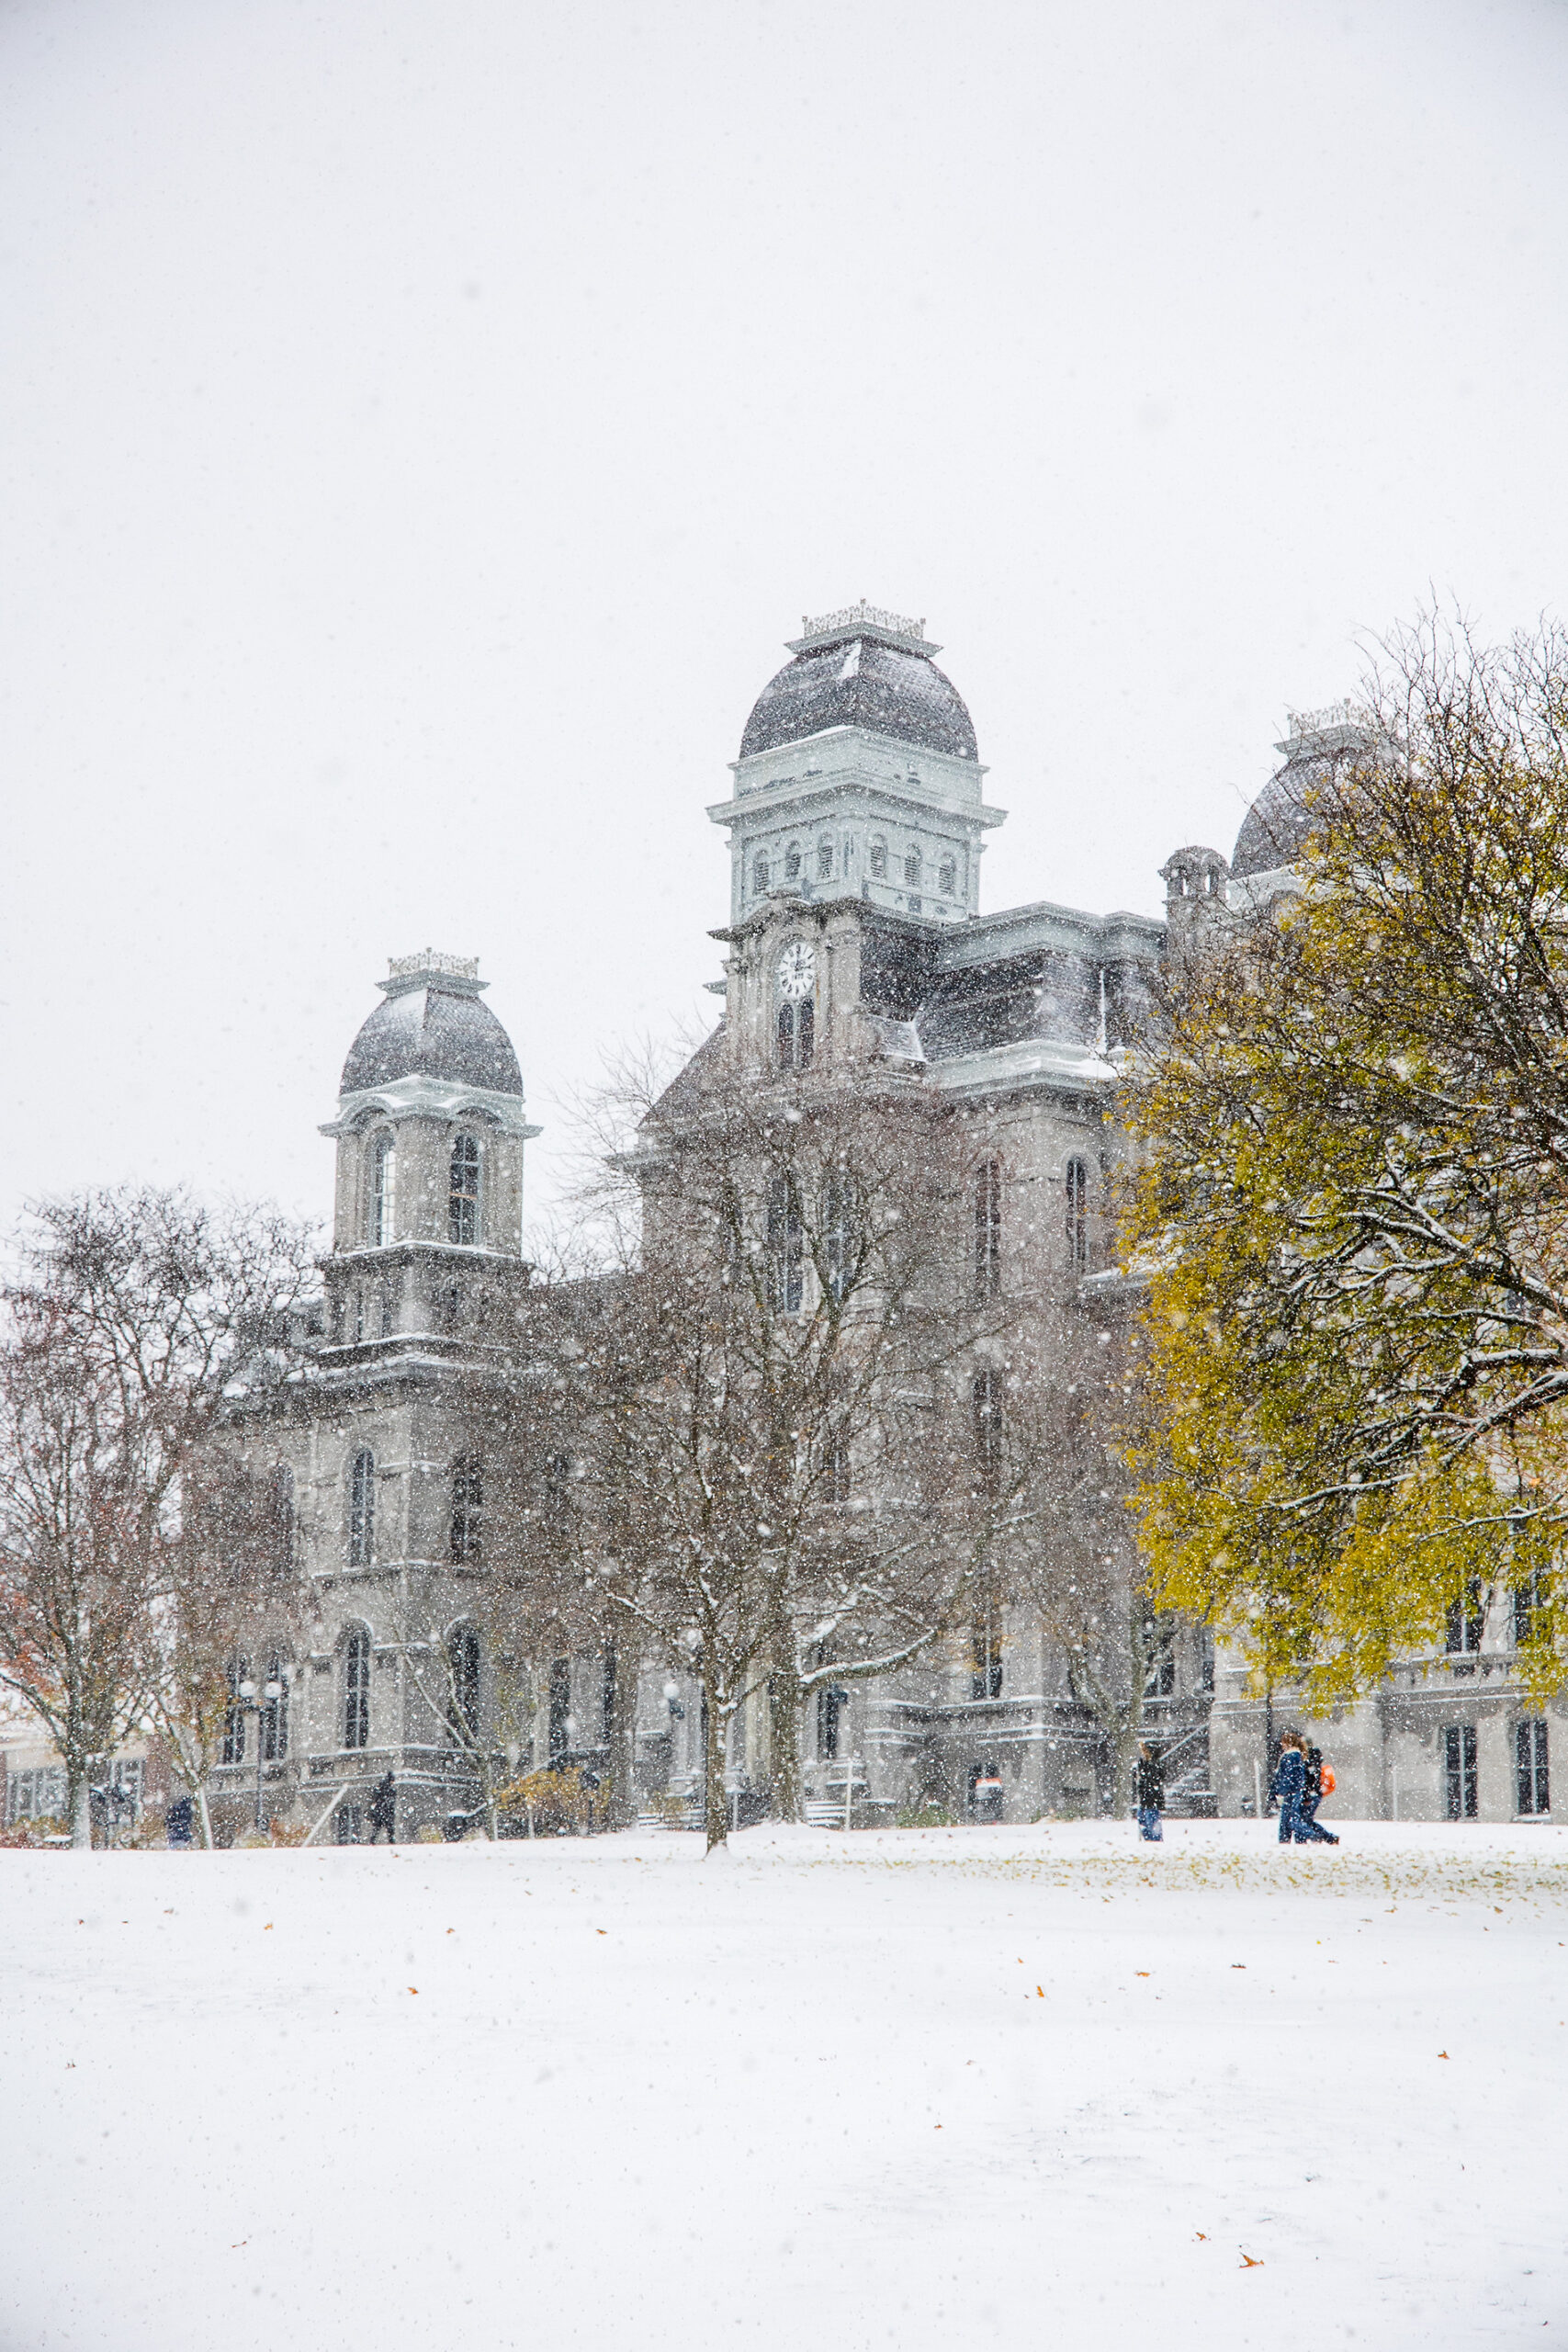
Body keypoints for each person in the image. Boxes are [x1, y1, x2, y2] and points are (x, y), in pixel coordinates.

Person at [1298, 1744, 1341, 1844]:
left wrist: (1306, 1796)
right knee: (1306, 1820)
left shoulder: (1309, 1764)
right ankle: (1328, 1838)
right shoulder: (1315, 1765)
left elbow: (1309, 1781)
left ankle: (1320, 1837)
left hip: (1310, 1795)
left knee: (1304, 1820)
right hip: (1314, 1794)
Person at [1270, 1734, 1306, 1843]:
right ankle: (1298, 1839)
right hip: (1294, 1791)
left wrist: (1281, 1792)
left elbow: (1286, 1776)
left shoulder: (1290, 1757)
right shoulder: (1296, 1756)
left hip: (1290, 1792)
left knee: (1289, 1820)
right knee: (1293, 1818)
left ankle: (1286, 1840)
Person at [1134, 1740, 1165, 1840]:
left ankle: (1155, 1840)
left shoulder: (1156, 1765)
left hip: (1152, 1800)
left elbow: (1155, 1779)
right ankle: (1148, 1839)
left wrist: (1145, 1770)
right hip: (1144, 1799)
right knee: (1143, 1821)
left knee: (1152, 1822)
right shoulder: (1144, 1764)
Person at [367, 1770, 397, 1845]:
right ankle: (391, 1842)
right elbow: (390, 1801)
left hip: (380, 1811)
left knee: (377, 1829)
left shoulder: (380, 1787)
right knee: (389, 1829)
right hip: (386, 1812)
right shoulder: (390, 1789)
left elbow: (376, 1797)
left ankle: (372, 1842)